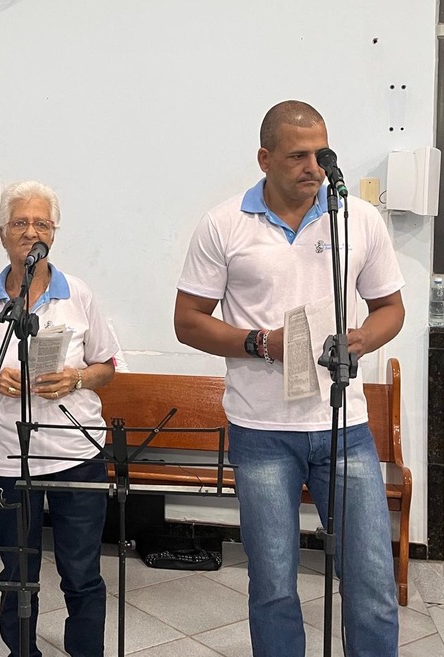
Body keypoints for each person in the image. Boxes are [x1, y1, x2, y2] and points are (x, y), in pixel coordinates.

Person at [174, 100, 404, 657]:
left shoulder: (357, 219)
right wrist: (260, 343)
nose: (313, 167)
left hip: (343, 426)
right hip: (262, 431)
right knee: (274, 585)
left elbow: (390, 308)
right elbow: (188, 321)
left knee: (372, 583)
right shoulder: (224, 224)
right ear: (264, 158)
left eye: (321, 154)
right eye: (298, 156)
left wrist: (360, 340)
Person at [0, 180, 117, 657]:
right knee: (16, 573)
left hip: (76, 453)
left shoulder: (79, 294)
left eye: (42, 223)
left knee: (81, 572)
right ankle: (22, 651)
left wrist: (77, 378)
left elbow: (107, 367)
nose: (32, 232)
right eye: (21, 223)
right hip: (9, 458)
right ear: (2, 233)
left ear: (53, 233)